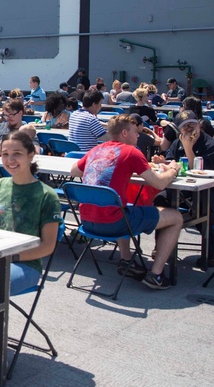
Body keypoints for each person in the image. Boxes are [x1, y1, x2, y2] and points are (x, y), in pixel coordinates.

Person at [0, 132, 61, 384]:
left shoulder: (46, 195)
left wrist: (7, 258)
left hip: (25, 264)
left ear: (31, 155)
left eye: (17, 154)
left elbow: (48, 246)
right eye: (5, 154)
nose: (10, 160)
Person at [70, 114, 185, 289]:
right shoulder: (131, 152)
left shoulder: (96, 150)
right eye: (135, 131)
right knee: (176, 217)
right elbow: (160, 183)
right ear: (124, 133)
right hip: (114, 223)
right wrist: (173, 170)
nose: (138, 135)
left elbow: (74, 171)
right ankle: (156, 275)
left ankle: (126, 260)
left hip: (87, 223)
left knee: (122, 207)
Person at [158, 110, 214, 264]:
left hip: (212, 191)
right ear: (180, 130)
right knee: (160, 199)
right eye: (185, 127)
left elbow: (202, 174)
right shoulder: (177, 143)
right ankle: (161, 248)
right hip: (183, 190)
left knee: (203, 206)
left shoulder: (212, 146)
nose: (190, 129)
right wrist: (163, 163)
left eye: (192, 125)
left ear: (198, 125)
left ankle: (211, 253)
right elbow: (171, 162)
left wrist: (188, 148)